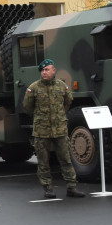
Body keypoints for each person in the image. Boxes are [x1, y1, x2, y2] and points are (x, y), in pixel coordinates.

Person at [24, 58, 84, 198]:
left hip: (60, 129)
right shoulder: (34, 88)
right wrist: (41, 117)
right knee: (43, 161)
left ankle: (71, 187)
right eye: (42, 70)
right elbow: (28, 107)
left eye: (47, 70)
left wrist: (57, 116)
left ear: (53, 70)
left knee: (66, 159)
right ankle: (48, 189)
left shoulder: (62, 87)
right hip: (42, 130)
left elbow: (67, 103)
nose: (44, 73)